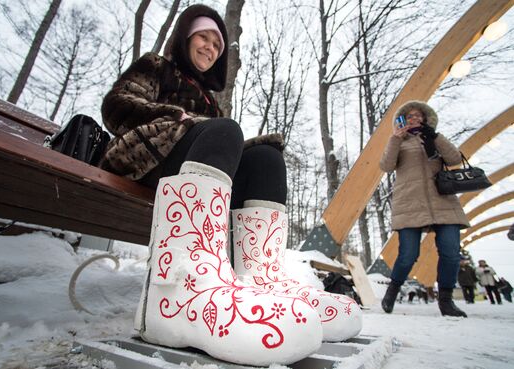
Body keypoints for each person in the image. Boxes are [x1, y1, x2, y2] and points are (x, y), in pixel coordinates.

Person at [98, 4, 360, 366]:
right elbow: (117, 105)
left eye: (217, 45)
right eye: (204, 37)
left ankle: (259, 278)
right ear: (186, 36)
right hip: (143, 157)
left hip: (188, 163)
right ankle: (176, 295)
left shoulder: (209, 98)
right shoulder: (156, 66)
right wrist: (179, 117)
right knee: (224, 130)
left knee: (266, 157)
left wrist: (234, 141)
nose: (210, 47)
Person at [379, 100, 470, 318]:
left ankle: (446, 300)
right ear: (403, 119)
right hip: (410, 204)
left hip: (443, 202)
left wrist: (435, 137)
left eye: (418, 116)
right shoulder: (399, 141)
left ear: (426, 118)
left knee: (451, 253)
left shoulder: (435, 138)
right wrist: (395, 138)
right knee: (408, 255)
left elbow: (455, 159)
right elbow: (386, 165)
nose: (415, 119)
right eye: (409, 116)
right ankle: (392, 290)